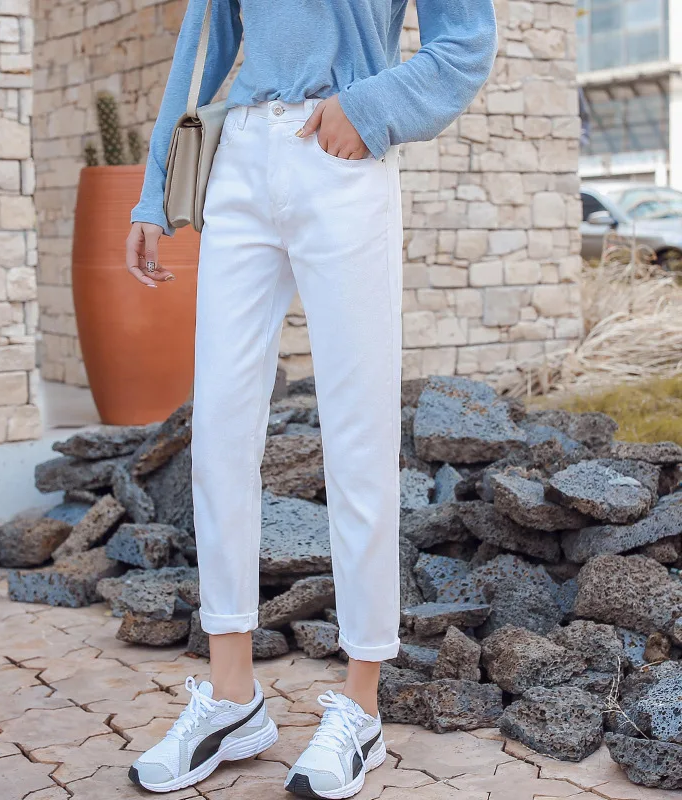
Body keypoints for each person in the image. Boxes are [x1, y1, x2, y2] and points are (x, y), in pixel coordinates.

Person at [124, 1, 497, 797]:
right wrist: (155, 189)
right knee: (220, 428)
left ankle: (361, 707)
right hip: (240, 161)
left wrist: (369, 107)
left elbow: (466, 41)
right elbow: (203, 42)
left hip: (341, 156)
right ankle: (232, 698)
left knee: (358, 433)